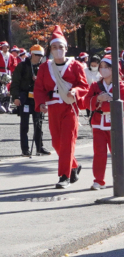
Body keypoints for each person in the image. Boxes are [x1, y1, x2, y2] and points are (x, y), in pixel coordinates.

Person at [34, 26, 89, 188]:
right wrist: (41, 102)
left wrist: (75, 91)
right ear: (50, 49)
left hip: (69, 107)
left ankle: (64, 176)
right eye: (54, 47)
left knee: (67, 142)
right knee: (56, 143)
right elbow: (39, 88)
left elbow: (84, 85)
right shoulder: (45, 67)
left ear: (66, 49)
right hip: (52, 108)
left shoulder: (76, 65)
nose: (58, 50)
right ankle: (73, 166)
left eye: (61, 47)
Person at [79, 55, 124, 190]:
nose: (103, 70)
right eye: (101, 67)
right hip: (98, 123)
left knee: (119, 151)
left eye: (107, 67)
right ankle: (99, 180)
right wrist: (98, 98)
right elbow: (86, 103)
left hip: (116, 123)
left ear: (113, 69)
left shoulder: (120, 86)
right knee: (99, 152)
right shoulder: (95, 85)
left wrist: (103, 104)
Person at [10, 45, 50, 156]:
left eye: (41, 56)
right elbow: (15, 83)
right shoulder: (22, 66)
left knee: (38, 123)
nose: (39, 58)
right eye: (37, 55)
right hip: (25, 98)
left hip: (37, 99)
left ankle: (39, 147)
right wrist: (15, 97)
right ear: (32, 54)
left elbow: (46, 83)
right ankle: (25, 149)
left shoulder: (42, 68)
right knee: (24, 125)